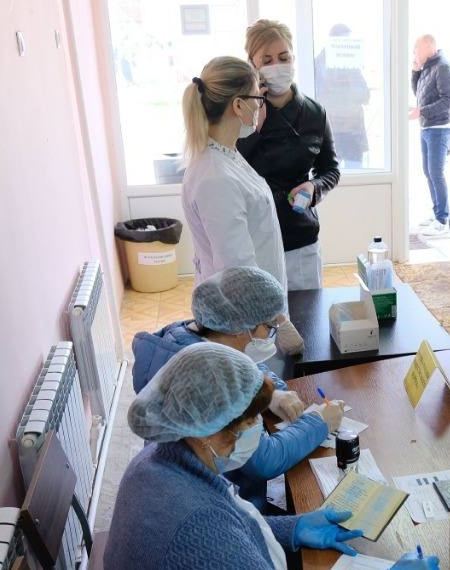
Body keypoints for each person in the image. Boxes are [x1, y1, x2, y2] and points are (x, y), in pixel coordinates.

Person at [96, 343, 441, 570]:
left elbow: (225, 527)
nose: (257, 428)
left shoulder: (159, 457)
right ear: (209, 432)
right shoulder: (193, 523)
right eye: (250, 420)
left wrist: (294, 528)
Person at [130, 266, 341, 511]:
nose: (271, 335)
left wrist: (273, 393)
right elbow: (265, 461)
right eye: (269, 327)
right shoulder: (210, 379)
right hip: (224, 504)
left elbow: (246, 363)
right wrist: (319, 422)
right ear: (241, 327)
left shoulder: (185, 334)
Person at [237, 19, 341, 291]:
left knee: (306, 312)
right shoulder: (241, 112)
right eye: (267, 60)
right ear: (253, 65)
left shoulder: (315, 113)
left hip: (300, 237)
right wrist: (254, 129)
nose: (277, 66)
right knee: (261, 314)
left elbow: (331, 169)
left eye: (284, 58)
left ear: (294, 57)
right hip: (253, 239)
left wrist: (314, 187)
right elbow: (228, 167)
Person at [181, 56, 286, 288]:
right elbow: (238, 273)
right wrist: (268, 311)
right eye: (257, 98)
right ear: (238, 105)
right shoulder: (215, 178)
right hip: (246, 306)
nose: (259, 106)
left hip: (261, 298)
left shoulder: (227, 155)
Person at [410, 34, 450, 237]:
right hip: (427, 127)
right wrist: (415, 72)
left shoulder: (443, 67)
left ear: (428, 47)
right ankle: (437, 213)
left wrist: (422, 112)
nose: (414, 54)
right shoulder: (428, 67)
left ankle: (442, 219)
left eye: (416, 50)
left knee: (436, 173)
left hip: (439, 128)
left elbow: (448, 100)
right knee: (428, 172)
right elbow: (419, 94)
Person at [314, 24, 370, 169]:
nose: (348, 46)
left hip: (350, 131)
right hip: (333, 131)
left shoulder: (351, 64)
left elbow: (365, 95)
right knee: (331, 176)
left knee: (354, 175)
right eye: (346, 41)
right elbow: (318, 98)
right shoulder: (320, 64)